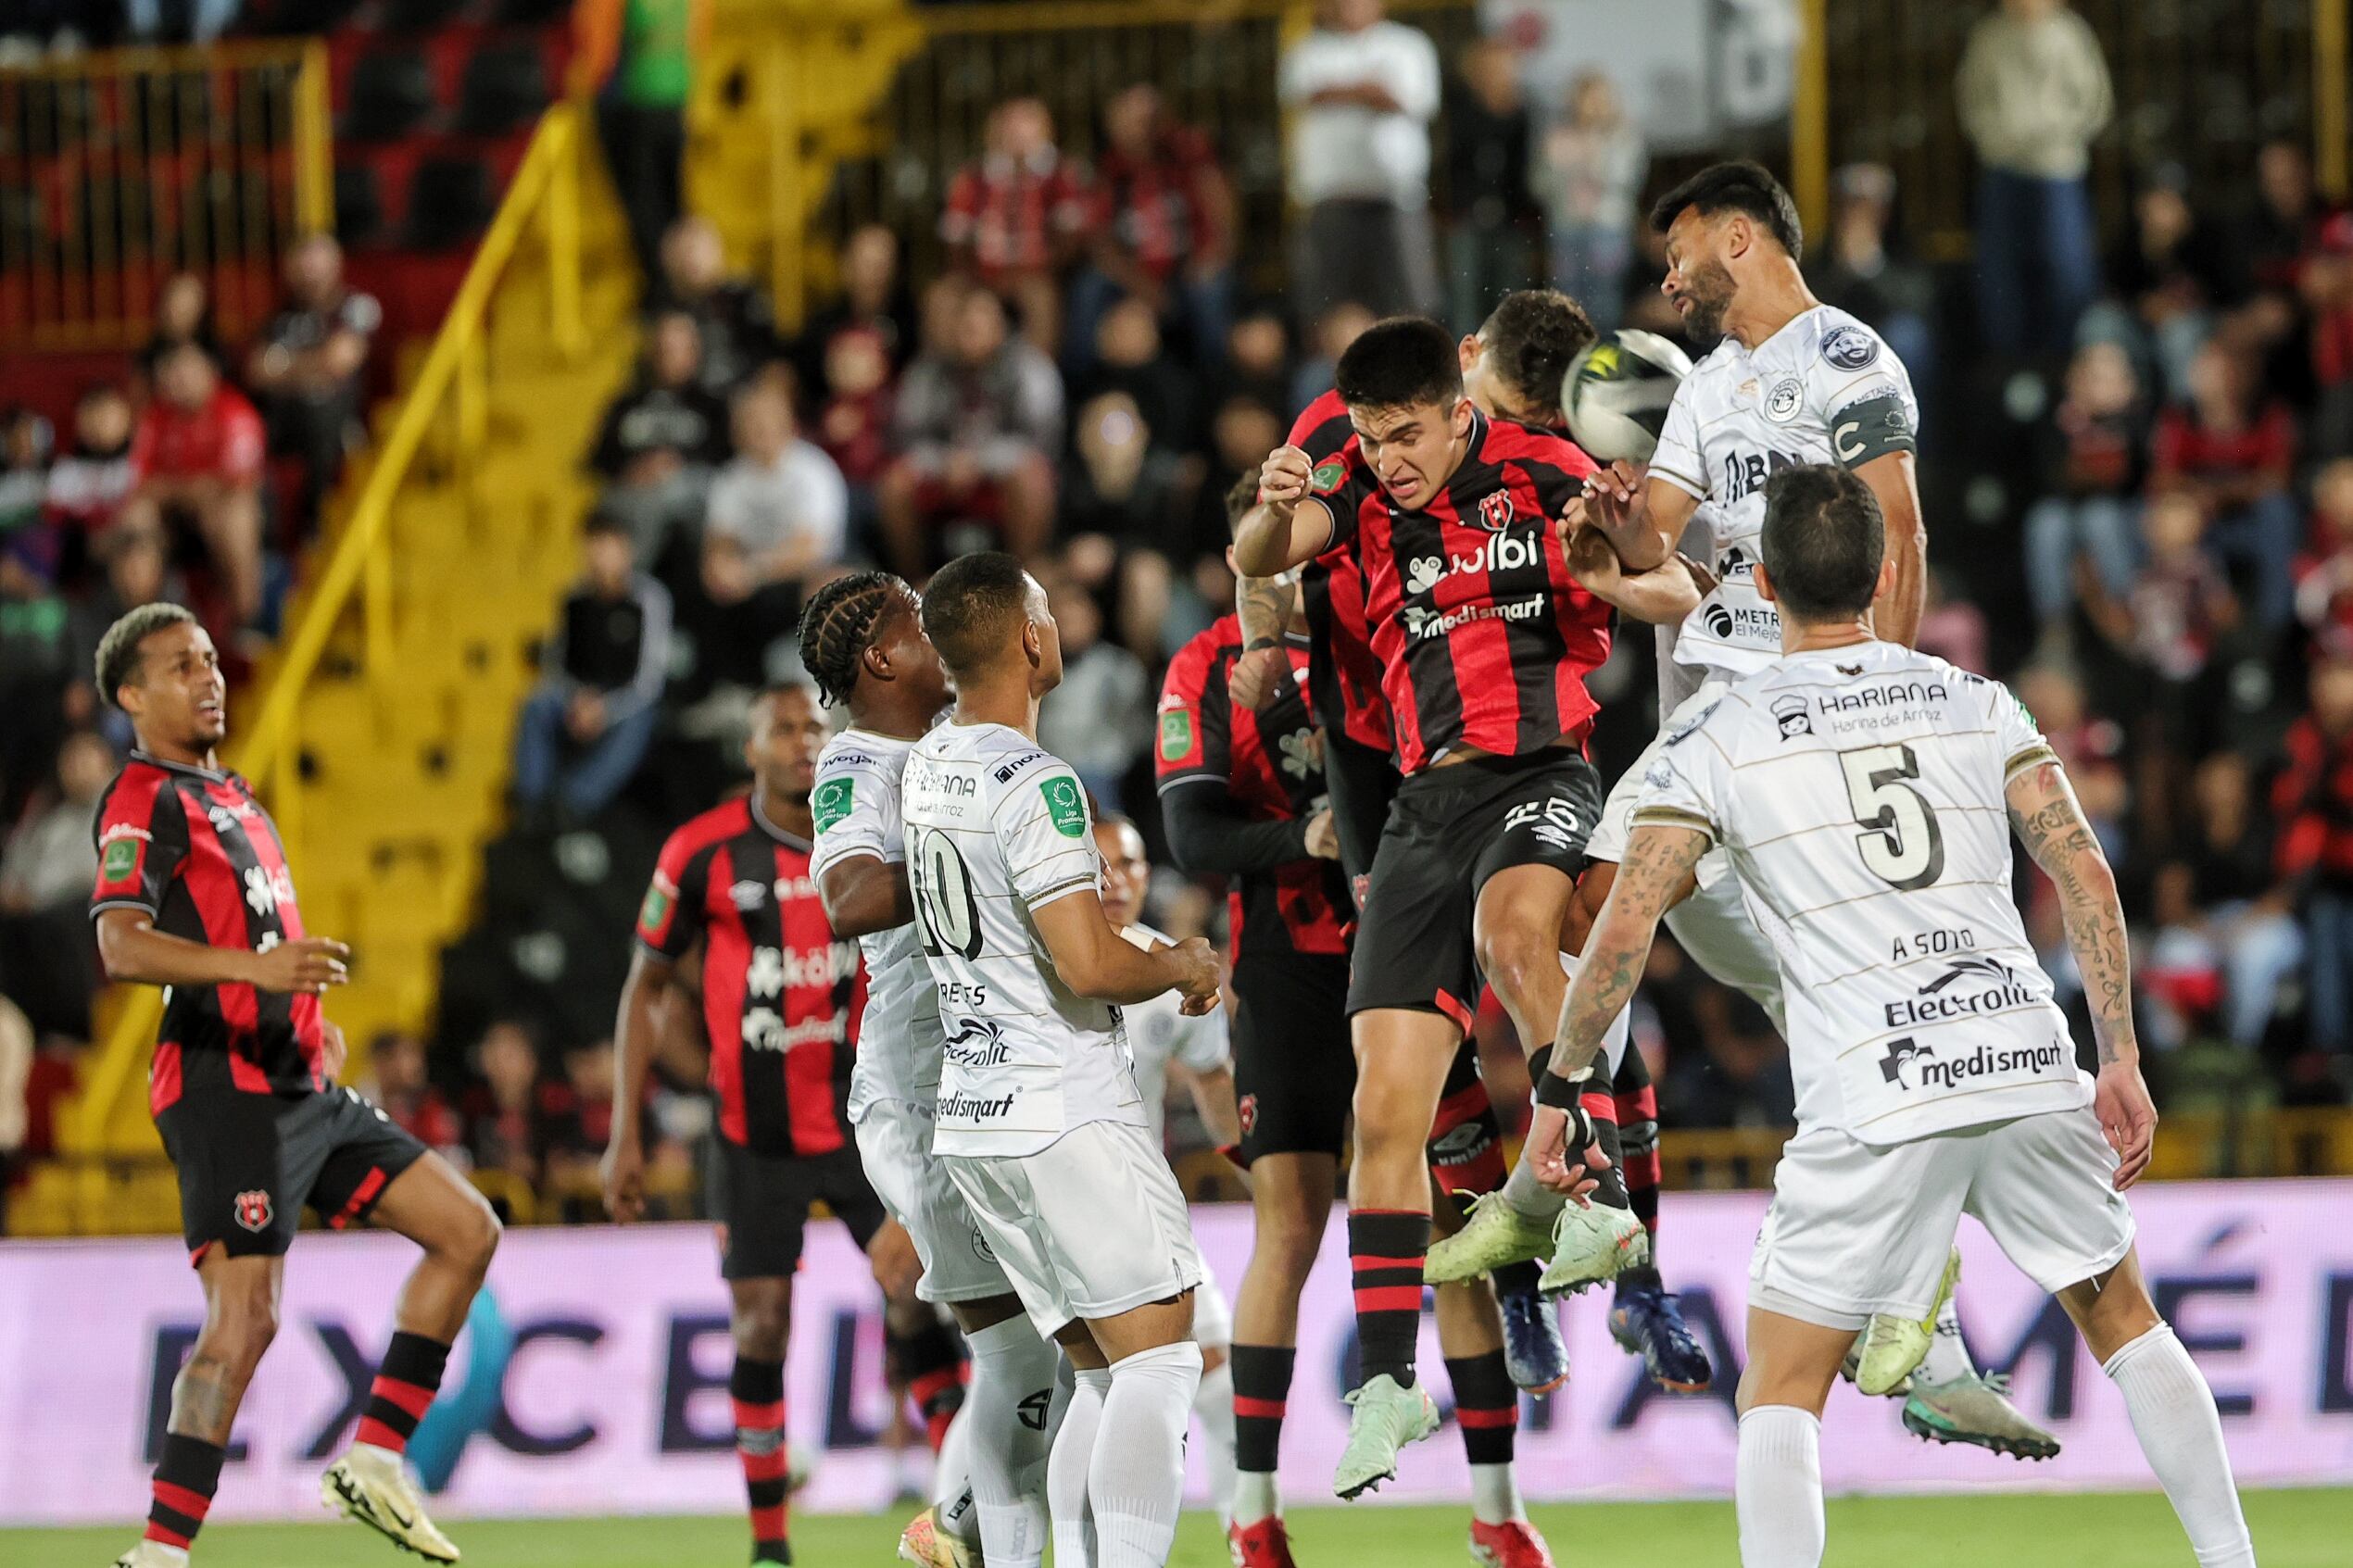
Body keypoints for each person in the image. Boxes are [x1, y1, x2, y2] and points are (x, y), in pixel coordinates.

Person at [1529, 463, 2257, 1568]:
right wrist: (2116, 1055)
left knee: (1781, 1378)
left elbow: (1623, 928)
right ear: (1879, 577)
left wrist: (1559, 1087)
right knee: (2123, 1318)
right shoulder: (1973, 697)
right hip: (2020, 1052)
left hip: (1875, 1089)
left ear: (1762, 581)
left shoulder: (1714, 733)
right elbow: (2083, 874)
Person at [1438, 160, 2057, 1458]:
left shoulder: (1851, 358)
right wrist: (1610, 528)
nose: (1667, 279)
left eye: (1680, 254)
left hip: (1803, 763)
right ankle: (1573, 1200)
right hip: (1717, 745)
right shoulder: (1702, 389)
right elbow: (1653, 551)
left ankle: (1898, 1323)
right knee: (1556, 931)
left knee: (1833, 1038)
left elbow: (1903, 535)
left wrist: (1870, 701)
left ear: (1739, 237)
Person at [1231, 315, 1674, 1498]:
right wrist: (1274, 511)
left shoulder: (1542, 467)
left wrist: (1614, 546)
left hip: (1540, 770)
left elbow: (1659, 569)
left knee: (1517, 936)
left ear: (1458, 405)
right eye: (1371, 439)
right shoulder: (1358, 498)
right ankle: (1385, 1380)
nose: (1390, 459)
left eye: (1409, 434)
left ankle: (1592, 1201)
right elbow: (1259, 552)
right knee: (1384, 1104)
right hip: (1421, 810)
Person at [1164, 495, 1557, 1568]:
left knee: (1446, 1230)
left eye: (1297, 551)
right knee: (1286, 1226)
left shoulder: (1392, 633)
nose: (1280, 572)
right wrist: (1303, 829)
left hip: (1411, 944)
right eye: (1261, 554)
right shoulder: (1201, 668)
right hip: (1288, 970)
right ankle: (1251, 1511)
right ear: (1239, 561)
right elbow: (1189, 828)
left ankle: (1497, 1512)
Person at [90, 602, 501, 1568]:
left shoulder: (233, 792)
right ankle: (160, 1550)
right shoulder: (140, 797)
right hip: (220, 1085)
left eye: (210, 659)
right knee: (246, 1317)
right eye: (181, 665)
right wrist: (254, 975)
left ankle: (377, 1458)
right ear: (132, 694)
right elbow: (118, 942)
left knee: (466, 1229)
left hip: (301, 1080)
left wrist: (310, 1022)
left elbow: (263, 946)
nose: (209, 676)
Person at [903, 551, 1221, 1568]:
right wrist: (1177, 959)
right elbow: (1085, 961)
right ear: (1030, 639)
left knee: (1095, 1369)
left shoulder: (927, 764)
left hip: (976, 1115)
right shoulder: (1033, 782)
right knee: (1165, 1360)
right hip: (1062, 1107)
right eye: (1043, 612)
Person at [600, 682, 939, 1568]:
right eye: (781, 727)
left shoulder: (872, 837)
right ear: (748, 747)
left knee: (918, 1299)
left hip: (872, 1128)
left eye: (814, 727)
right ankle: (769, 1547)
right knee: (758, 1327)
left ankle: (969, 1515)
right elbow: (648, 986)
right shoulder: (701, 851)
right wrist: (625, 1133)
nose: (801, 740)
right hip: (754, 1136)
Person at [797, 569, 1059, 1568]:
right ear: (880, 659)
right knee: (1022, 1356)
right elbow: (851, 896)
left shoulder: (959, 746)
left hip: (1001, 1081)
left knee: (1071, 1354)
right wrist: (975, 850)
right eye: (919, 624)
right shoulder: (854, 765)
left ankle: (959, 1527)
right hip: (923, 1104)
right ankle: (957, 1527)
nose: (941, 641)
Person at [1089, 814, 1242, 1528]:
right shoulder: (1033, 959)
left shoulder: (1169, 965)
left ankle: (1251, 1535)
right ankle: (966, 1519)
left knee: (1214, 1363)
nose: (1117, 878)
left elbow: (1212, 1080)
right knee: (1043, 1388)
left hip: (1144, 1209)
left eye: (1131, 863)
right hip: (1049, 1206)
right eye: (1101, 863)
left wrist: (1258, 1166)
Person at [1955, 0, 2112, 356]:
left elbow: (2094, 101)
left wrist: (2053, 134)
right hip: (2002, 168)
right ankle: (2009, 367)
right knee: (2001, 276)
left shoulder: (2069, 34)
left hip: (2058, 168)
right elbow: (1972, 99)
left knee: (2066, 269)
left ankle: (2066, 359)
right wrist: (1997, 138)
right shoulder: (1990, 36)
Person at [877, 282, 1062, 576]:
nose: (971, 327)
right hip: (943, 470)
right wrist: (945, 461)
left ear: (1000, 325)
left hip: (1004, 473)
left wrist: (979, 461)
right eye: (965, 320)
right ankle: (914, 583)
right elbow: (907, 436)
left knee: (1032, 478)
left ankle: (1024, 580)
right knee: (895, 483)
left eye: (982, 319)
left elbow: (1041, 440)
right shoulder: (927, 370)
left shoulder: (1029, 368)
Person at [1278, 0, 1441, 320]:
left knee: (1410, 307)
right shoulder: (1307, 50)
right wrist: (1367, 91)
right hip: (1329, 198)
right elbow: (1303, 95)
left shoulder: (1408, 45)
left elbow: (1413, 101)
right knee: (1329, 310)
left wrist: (1339, 92)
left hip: (1396, 198)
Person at [512, 512, 673, 822]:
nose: (599, 558)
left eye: (607, 547)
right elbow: (559, 665)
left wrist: (605, 709)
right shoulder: (575, 598)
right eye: (592, 548)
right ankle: (530, 801)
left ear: (626, 551)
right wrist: (577, 700)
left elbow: (649, 680)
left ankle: (574, 803)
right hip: (579, 696)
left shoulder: (649, 599)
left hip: (623, 701)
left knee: (641, 718)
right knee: (535, 704)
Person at [119, 345, 266, 629]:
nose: (179, 381)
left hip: (223, 511)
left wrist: (176, 487)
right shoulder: (155, 418)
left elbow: (237, 484)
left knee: (235, 514)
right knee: (137, 514)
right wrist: (192, 489)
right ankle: (143, 622)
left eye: (187, 372)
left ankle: (248, 619)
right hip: (176, 515)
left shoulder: (236, 413)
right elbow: (139, 483)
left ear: (210, 374)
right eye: (172, 374)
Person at [245, 233, 381, 525]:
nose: (311, 274)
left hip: (336, 420)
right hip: (282, 418)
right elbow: (256, 370)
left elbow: (340, 361)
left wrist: (285, 367)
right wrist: (314, 366)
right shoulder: (280, 316)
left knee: (321, 414)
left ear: (336, 265)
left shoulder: (357, 306)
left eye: (318, 265)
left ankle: (317, 524)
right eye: (304, 266)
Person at [571, 0, 710, 285]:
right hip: (675, 97)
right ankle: (686, 291)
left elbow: (594, 36)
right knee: (675, 208)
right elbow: (699, 36)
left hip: (631, 103)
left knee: (646, 215)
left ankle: (665, 298)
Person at [701, 380, 849, 619]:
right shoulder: (729, 479)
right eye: (751, 420)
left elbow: (810, 549)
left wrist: (752, 571)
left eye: (767, 419)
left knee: (826, 588)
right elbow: (718, 543)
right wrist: (720, 570)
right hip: (749, 582)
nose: (760, 427)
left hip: (807, 576)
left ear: (788, 423)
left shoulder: (813, 469)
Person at [1532, 71, 1645, 334]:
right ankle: (1571, 362)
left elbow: (1626, 179)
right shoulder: (1557, 134)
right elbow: (1538, 183)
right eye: (1585, 98)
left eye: (1597, 98)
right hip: (1566, 227)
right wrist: (1559, 166)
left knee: (1606, 297)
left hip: (1607, 227)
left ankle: (1606, 362)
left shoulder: (1622, 134)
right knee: (1565, 299)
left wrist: (1591, 152)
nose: (1591, 106)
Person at [1440, 38, 1537, 336]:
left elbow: (1525, 168)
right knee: (1465, 302)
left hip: (1511, 220)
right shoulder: (1459, 108)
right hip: (1466, 218)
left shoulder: (1522, 113)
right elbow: (1453, 162)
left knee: (1509, 301)